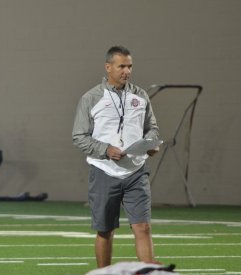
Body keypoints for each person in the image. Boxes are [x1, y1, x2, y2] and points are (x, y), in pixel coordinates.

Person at [72, 46, 160, 268]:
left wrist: (151, 143)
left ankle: (149, 272)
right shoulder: (90, 98)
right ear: (108, 67)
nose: (127, 71)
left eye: (130, 66)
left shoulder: (140, 95)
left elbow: (152, 128)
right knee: (105, 230)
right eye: (121, 66)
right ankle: (104, 273)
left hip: (136, 172)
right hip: (104, 171)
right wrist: (105, 150)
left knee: (143, 227)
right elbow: (79, 136)